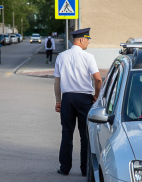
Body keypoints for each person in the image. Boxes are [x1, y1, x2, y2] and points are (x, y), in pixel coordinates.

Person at [54, 27, 102, 176]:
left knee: (67, 133)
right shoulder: (88, 57)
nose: (88, 42)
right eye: (87, 39)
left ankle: (65, 168)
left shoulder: (61, 56)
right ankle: (85, 169)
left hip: (67, 98)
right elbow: (98, 79)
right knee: (85, 135)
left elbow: (57, 82)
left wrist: (58, 101)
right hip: (84, 99)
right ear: (81, 40)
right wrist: (96, 96)